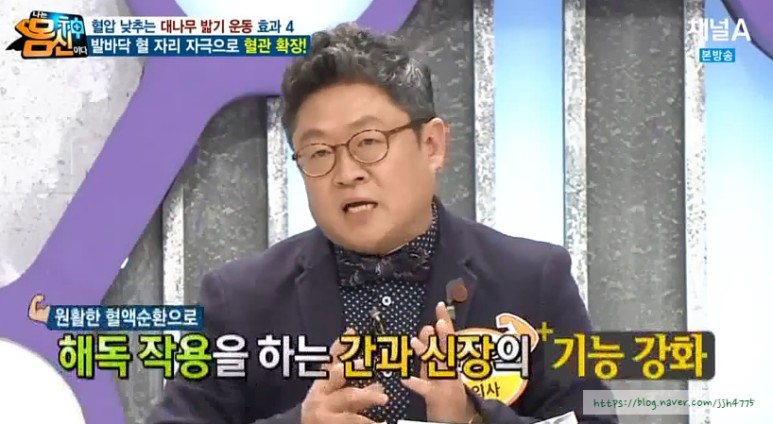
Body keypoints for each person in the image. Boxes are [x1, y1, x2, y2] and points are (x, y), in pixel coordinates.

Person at [147, 23, 618, 424]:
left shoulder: (533, 280)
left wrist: (476, 418)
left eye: (368, 142)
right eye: (318, 152)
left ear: (432, 145)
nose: (346, 172)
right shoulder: (240, 301)